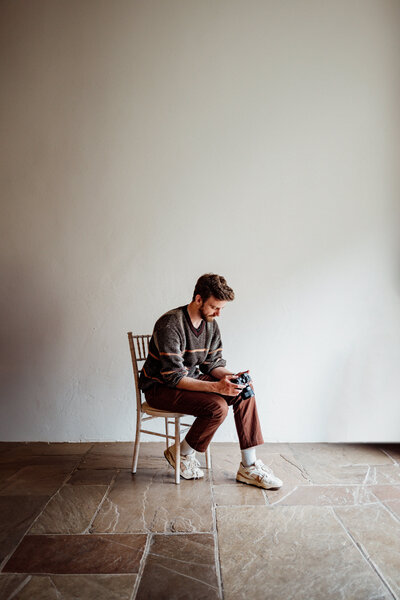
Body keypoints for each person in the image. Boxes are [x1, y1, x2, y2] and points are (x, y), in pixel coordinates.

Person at [139, 273, 282, 489]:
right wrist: (217, 387)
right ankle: (182, 454)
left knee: (244, 390)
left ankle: (249, 466)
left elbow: (212, 364)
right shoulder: (170, 324)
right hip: (160, 388)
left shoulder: (210, 323)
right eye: (215, 307)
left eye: (221, 308)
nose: (218, 313)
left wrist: (231, 378)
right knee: (217, 407)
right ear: (198, 299)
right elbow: (174, 377)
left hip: (189, 380)